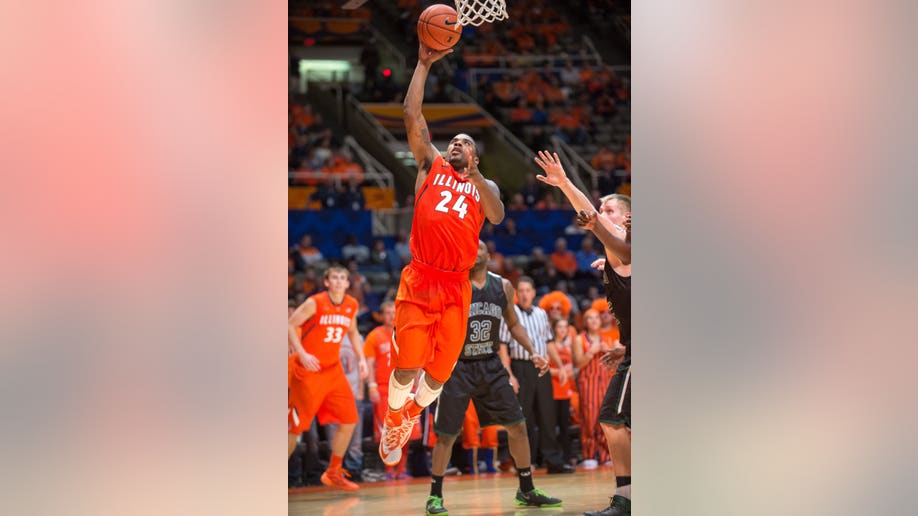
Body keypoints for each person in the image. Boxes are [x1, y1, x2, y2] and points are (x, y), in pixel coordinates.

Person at [378, 42, 506, 467]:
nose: (456, 144)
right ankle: (393, 416)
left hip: (456, 285)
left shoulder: (484, 186)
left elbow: (497, 215)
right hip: (421, 278)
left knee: (439, 375)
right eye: (453, 140)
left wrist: (479, 175)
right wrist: (422, 63)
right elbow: (411, 116)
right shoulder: (430, 166)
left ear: (475, 154)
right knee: (406, 366)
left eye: (465, 142)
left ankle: (409, 416)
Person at [426, 241, 562, 515]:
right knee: (446, 435)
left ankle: (526, 489)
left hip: (490, 364)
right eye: (470, 247)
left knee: (518, 425)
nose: (474, 251)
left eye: (480, 248)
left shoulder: (502, 286)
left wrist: (533, 351)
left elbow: (513, 323)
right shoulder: (454, 284)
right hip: (458, 367)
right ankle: (435, 495)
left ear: (489, 256)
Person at [534, 150, 631, 516]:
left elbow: (590, 214)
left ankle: (625, 500)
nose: (601, 214)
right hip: (636, 349)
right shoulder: (619, 251)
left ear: (626, 217)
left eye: (609, 210)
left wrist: (565, 185)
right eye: (602, 210)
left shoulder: (626, 243)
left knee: (612, 419)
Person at [287, 266, 369, 491]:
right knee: (295, 429)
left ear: (347, 283)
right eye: (334, 277)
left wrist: (361, 358)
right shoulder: (315, 302)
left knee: (350, 419)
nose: (339, 281)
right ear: (326, 282)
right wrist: (302, 354)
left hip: (333, 370)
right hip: (308, 371)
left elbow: (352, 331)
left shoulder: (351, 304)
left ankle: (333, 471)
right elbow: (290, 324)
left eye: (343, 278)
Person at [499, 277, 574, 474]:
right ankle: (525, 462)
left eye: (527, 290)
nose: (524, 294)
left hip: (541, 368)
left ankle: (553, 460)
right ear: (517, 293)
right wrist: (510, 375)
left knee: (547, 415)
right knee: (525, 417)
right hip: (520, 367)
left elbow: (548, 342)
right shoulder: (511, 313)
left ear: (533, 293)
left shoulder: (541, 314)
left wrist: (560, 366)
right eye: (521, 290)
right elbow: (503, 346)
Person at [363, 301, 410, 479]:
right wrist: (372, 386)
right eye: (387, 313)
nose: (391, 316)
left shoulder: (405, 333)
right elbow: (369, 362)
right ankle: (389, 470)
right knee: (387, 433)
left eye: (394, 312)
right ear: (382, 316)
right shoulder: (374, 336)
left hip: (404, 387)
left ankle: (402, 469)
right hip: (383, 389)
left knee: (405, 431)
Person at [572, 309, 613, 469]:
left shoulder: (608, 339)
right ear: (585, 321)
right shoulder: (579, 339)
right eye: (590, 318)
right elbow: (579, 364)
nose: (594, 320)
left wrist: (608, 351)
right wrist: (591, 352)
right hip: (588, 383)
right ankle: (589, 455)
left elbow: (612, 365)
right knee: (589, 420)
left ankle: (605, 455)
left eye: (596, 317)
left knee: (605, 420)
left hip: (605, 383)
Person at [548, 317, 576, 466]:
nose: (563, 330)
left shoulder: (569, 347)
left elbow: (573, 369)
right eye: (560, 327)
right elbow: (545, 368)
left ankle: (567, 456)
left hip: (565, 391)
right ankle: (553, 457)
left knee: (565, 426)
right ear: (554, 329)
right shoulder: (549, 346)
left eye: (565, 327)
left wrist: (569, 371)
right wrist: (561, 371)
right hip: (552, 390)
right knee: (551, 426)